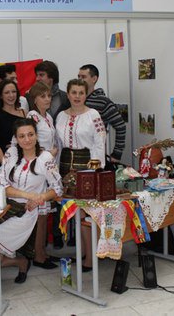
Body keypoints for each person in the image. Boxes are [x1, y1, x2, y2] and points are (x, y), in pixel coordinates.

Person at [0, 118, 62, 295]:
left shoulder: (45, 158)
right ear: (16, 138)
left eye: (30, 134)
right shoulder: (11, 153)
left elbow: (57, 188)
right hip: (5, 207)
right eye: (22, 136)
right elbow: (2, 185)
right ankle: (19, 263)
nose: (27, 139)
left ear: (36, 136)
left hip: (26, 212)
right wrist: (29, 195)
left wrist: (40, 197)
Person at [56, 79, 107, 261]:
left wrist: (96, 170)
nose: (77, 96)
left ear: (86, 95)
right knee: (75, 210)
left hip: (86, 165)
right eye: (74, 92)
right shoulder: (60, 116)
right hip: (65, 165)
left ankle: (91, 257)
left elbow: (100, 142)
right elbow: (58, 144)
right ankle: (85, 252)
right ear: (68, 94)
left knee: (86, 211)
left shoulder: (93, 115)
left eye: (81, 93)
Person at [26, 81, 60, 269]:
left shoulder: (48, 117)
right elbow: (29, 143)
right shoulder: (33, 116)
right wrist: (47, 153)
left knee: (45, 214)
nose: (47, 99)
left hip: (49, 168)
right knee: (40, 214)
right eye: (43, 96)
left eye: (49, 96)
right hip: (38, 168)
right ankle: (37, 255)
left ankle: (42, 251)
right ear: (35, 99)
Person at [77, 64, 126, 163]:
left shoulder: (103, 102)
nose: (80, 80)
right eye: (78, 77)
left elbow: (121, 126)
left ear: (94, 79)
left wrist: (117, 154)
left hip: (95, 157)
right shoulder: (74, 100)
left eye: (83, 77)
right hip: (75, 156)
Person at [0, 80, 26, 165]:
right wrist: (5, 166)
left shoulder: (24, 113)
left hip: (25, 159)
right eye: (7, 92)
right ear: (1, 96)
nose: (11, 95)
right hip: (6, 160)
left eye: (14, 92)